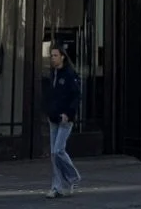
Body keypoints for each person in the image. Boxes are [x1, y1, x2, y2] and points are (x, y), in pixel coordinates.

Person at [42, 47, 81, 199]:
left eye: (55, 55)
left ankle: (73, 177)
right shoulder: (52, 74)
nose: (52, 58)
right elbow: (49, 95)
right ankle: (56, 187)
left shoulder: (69, 74)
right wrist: (48, 111)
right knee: (54, 154)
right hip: (53, 118)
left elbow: (76, 95)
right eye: (51, 55)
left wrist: (68, 113)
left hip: (65, 119)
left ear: (63, 57)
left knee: (58, 150)